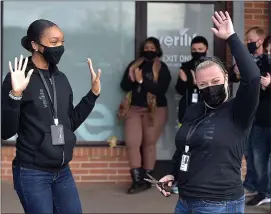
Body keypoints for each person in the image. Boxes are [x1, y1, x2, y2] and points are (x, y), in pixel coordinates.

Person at [157, 11, 260, 214]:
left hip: (219, 203)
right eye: (203, 84)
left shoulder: (238, 111)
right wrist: (172, 174)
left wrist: (231, 37)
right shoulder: (194, 110)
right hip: (185, 201)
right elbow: (184, 148)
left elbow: (253, 78)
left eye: (215, 82)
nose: (209, 87)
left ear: (225, 79)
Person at [1, 19, 101, 214]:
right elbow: (6, 131)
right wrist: (16, 95)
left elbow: (69, 122)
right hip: (32, 172)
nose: (59, 47)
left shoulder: (60, 79)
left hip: (62, 171)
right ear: (35, 45)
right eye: (54, 42)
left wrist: (93, 95)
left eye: (62, 42)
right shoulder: (19, 77)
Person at [118, 37, 171, 194]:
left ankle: (147, 179)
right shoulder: (134, 65)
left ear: (157, 50)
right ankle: (137, 180)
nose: (149, 50)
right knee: (132, 142)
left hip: (155, 110)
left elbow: (160, 90)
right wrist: (132, 80)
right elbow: (123, 86)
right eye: (146, 47)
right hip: (134, 108)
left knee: (149, 143)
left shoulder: (162, 68)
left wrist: (142, 82)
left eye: (152, 47)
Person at [246, 36, 271, 206]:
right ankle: (262, 192)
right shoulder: (263, 65)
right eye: (268, 50)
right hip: (260, 120)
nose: (269, 53)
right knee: (258, 160)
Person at [241, 27, 266, 197]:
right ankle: (250, 184)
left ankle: (261, 188)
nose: (248, 43)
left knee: (259, 154)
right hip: (248, 110)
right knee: (247, 151)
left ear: (260, 41)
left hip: (263, 113)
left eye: (251, 40)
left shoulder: (267, 60)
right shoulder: (247, 59)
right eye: (247, 40)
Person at [175, 36, 209, 123]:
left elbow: (214, 90)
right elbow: (179, 90)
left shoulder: (211, 66)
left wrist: (195, 82)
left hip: (206, 110)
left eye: (200, 49)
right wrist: (185, 82)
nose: (196, 52)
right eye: (194, 50)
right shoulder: (185, 66)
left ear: (206, 49)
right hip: (187, 108)